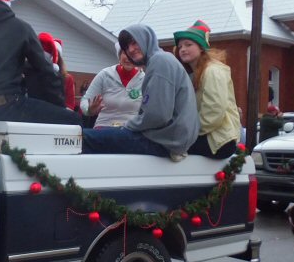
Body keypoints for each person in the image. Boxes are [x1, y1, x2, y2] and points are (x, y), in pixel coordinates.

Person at [81, 23, 199, 159]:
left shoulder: (160, 62)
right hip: (168, 138)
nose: (130, 50)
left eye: (134, 42)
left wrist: (127, 126)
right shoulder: (159, 61)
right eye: (126, 47)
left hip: (164, 141)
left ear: (146, 39)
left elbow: (158, 115)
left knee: (84, 138)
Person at [173, 19, 241, 159]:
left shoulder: (212, 71)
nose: (183, 49)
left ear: (201, 47)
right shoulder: (196, 73)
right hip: (211, 136)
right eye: (180, 47)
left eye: (188, 44)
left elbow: (214, 112)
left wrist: (188, 133)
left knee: (167, 146)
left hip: (218, 140)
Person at [80, 42, 143, 128]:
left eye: (132, 54)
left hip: (131, 130)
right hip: (104, 126)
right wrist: (89, 110)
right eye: (125, 53)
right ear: (119, 55)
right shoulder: (105, 75)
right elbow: (85, 101)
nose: (128, 58)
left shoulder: (144, 79)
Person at [38, 32, 76, 109]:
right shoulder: (34, 75)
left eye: (53, 54)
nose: (50, 58)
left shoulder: (67, 79)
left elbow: (70, 105)